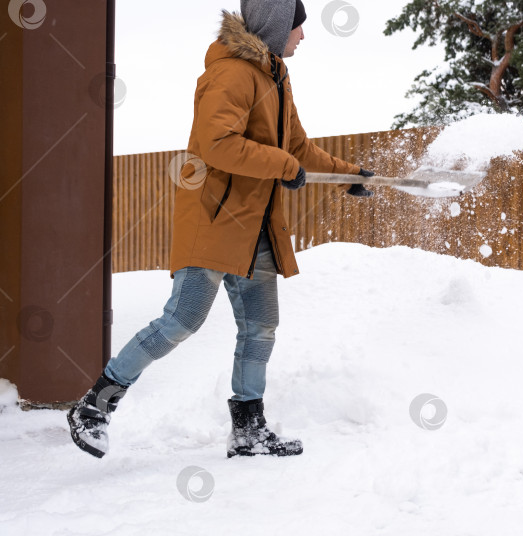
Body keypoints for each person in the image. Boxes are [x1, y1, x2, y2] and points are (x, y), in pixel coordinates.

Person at [67, 0, 374, 459]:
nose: (302, 37)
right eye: (297, 27)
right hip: (215, 221)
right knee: (181, 320)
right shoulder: (231, 73)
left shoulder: (276, 77)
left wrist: (350, 175)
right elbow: (218, 144)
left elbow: (298, 148)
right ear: (275, 26)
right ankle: (94, 406)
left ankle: (249, 430)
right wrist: (282, 164)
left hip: (257, 229)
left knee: (261, 329)